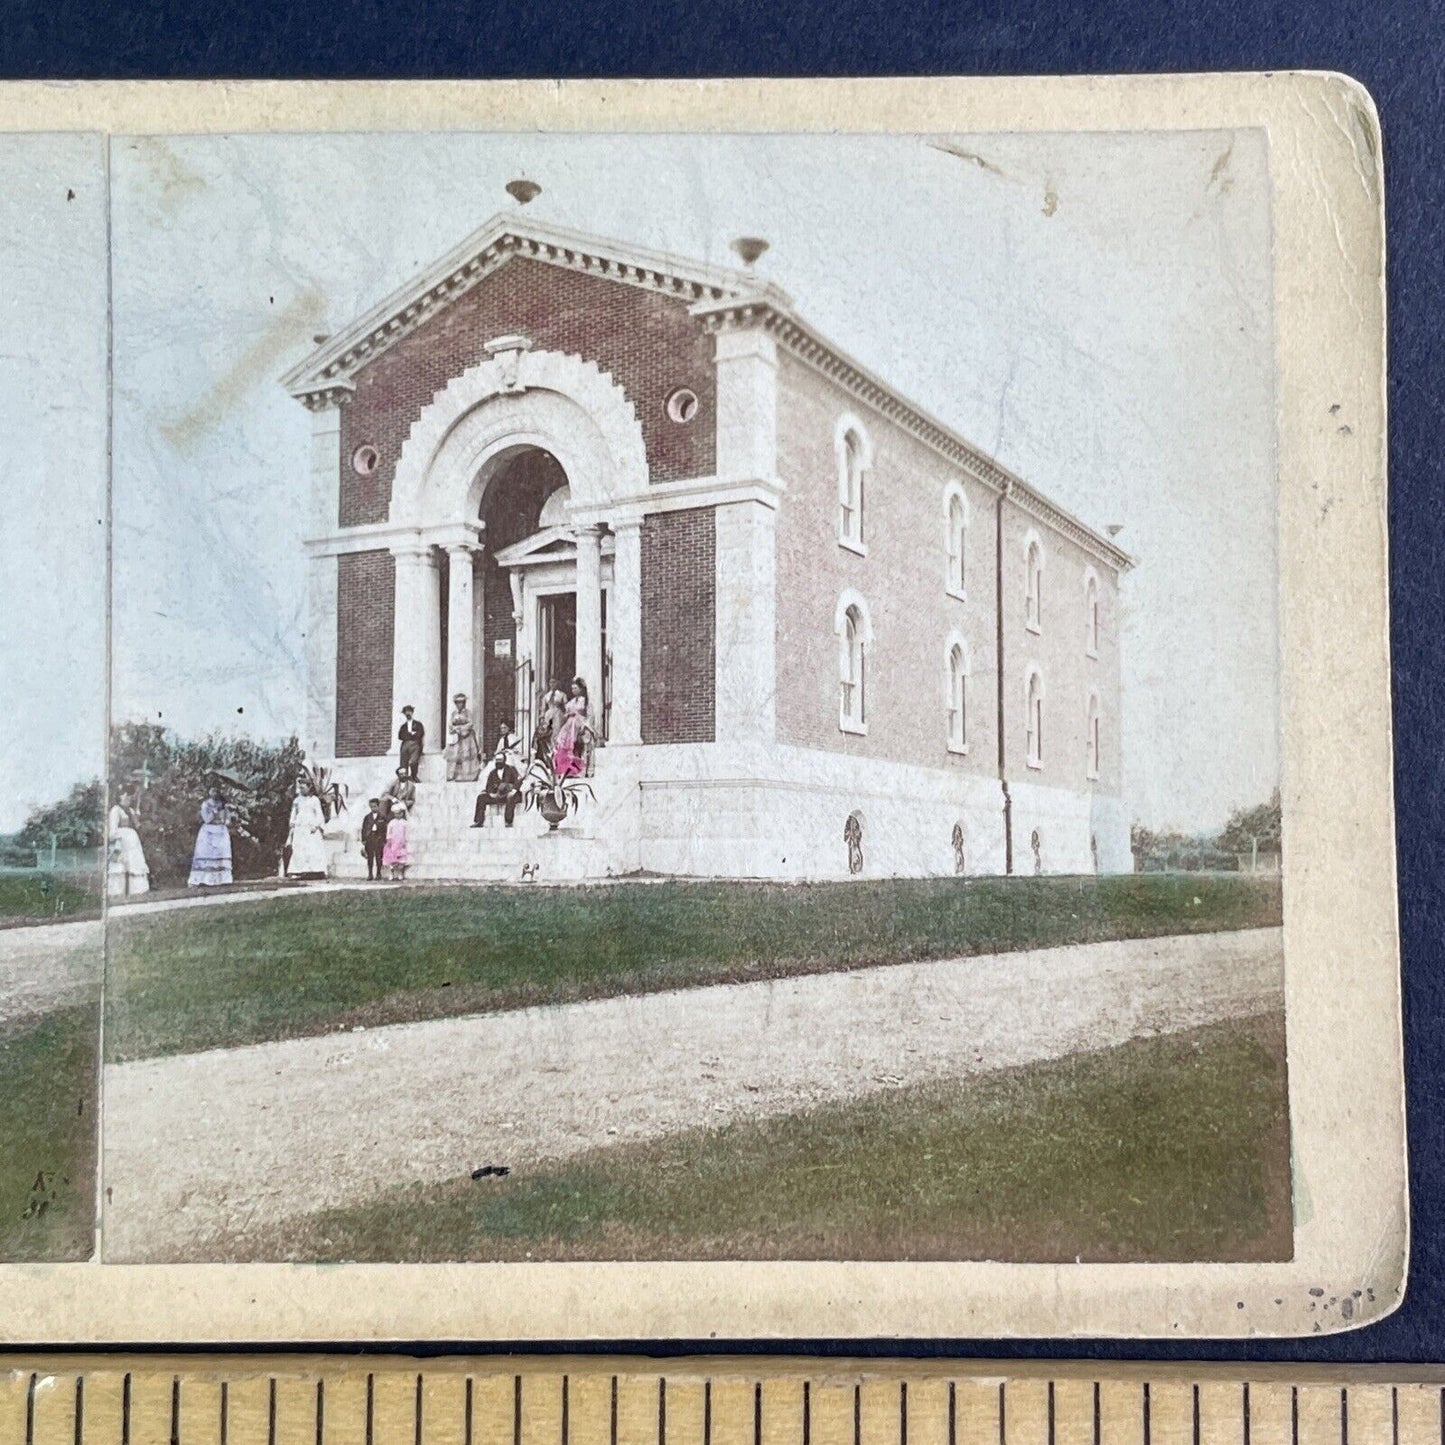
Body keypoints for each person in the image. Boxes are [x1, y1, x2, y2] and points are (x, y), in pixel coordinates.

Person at [106, 789, 150, 898]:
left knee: (135, 865)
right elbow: (112, 832)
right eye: (126, 796)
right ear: (120, 796)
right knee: (118, 868)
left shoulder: (130, 810)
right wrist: (122, 836)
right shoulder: (115, 810)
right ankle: (116, 892)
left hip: (132, 843)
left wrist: (136, 816)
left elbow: (137, 825)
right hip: (121, 844)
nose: (129, 798)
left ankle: (137, 891)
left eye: (130, 796)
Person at [188, 785, 234, 887]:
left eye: (216, 791)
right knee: (206, 854)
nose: (214, 793)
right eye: (212, 791)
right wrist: (215, 811)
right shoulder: (206, 804)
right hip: (208, 831)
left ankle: (221, 880)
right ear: (209, 792)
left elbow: (228, 820)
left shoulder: (223, 804)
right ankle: (201, 879)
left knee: (220, 855)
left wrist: (225, 817)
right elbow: (207, 819)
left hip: (221, 831)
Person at [551, 677, 595, 779]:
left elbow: (590, 716)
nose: (573, 690)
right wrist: (568, 714)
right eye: (572, 689)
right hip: (570, 725)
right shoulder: (571, 702)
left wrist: (586, 726)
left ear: (581, 689)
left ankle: (580, 770)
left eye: (575, 688)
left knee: (577, 745)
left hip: (580, 724)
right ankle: (568, 769)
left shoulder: (585, 701)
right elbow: (566, 713)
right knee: (562, 744)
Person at [286, 778, 328, 879]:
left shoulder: (314, 800)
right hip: (300, 828)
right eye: (300, 788)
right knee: (299, 849)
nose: (301, 790)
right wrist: (292, 823)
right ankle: (298, 871)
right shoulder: (297, 800)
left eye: (303, 787)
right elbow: (294, 813)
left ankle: (315, 871)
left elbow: (319, 814)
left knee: (312, 849)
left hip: (311, 828)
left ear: (309, 787)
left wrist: (316, 826)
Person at [472, 747, 523, 828]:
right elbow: (488, 786)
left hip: (510, 794)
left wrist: (514, 789)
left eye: (500, 760)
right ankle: (479, 821)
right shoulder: (492, 773)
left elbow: (519, 781)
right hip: (497, 795)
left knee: (510, 797)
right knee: (481, 797)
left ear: (504, 761)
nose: (498, 762)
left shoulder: (511, 769)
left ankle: (508, 821)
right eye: (497, 760)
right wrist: (491, 793)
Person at [446, 693, 481, 783]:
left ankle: (468, 775)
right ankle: (455, 775)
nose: (459, 704)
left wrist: (461, 729)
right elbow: (450, 724)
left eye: (461, 702)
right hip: (457, 737)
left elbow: (470, 723)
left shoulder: (468, 713)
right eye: (457, 703)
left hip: (466, 737)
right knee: (456, 755)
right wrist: (454, 729)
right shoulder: (454, 713)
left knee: (467, 755)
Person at [534, 685, 567, 760]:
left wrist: (565, 716)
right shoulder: (547, 695)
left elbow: (566, 706)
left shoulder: (562, 694)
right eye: (551, 682)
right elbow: (543, 708)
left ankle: (558, 754)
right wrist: (542, 717)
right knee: (548, 733)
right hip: (549, 714)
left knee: (557, 733)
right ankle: (549, 754)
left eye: (554, 682)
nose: (553, 684)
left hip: (558, 714)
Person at [360, 798, 387, 881]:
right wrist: (364, 839)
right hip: (370, 838)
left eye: (375, 806)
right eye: (371, 807)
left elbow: (385, 829)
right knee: (370, 857)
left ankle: (378, 873)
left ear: (378, 806)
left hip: (378, 838)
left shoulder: (382, 817)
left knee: (379, 857)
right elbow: (364, 828)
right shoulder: (367, 817)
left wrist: (384, 839)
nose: (373, 808)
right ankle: (370, 873)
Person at [382, 803, 411, 882]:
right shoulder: (391, 822)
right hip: (393, 843)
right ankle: (392, 874)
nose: (397, 815)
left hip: (401, 843)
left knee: (401, 859)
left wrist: (405, 841)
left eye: (399, 813)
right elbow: (389, 833)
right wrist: (389, 840)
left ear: (402, 813)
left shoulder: (405, 823)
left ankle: (400, 874)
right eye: (396, 813)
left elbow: (406, 833)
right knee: (392, 859)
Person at [397, 705, 425, 781]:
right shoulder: (403, 726)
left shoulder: (418, 724)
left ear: (412, 712)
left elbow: (420, 733)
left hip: (415, 744)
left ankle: (414, 776)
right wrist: (410, 735)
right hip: (405, 744)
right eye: (406, 712)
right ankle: (404, 778)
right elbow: (400, 736)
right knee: (403, 762)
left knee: (413, 761)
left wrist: (412, 735)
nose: (408, 713)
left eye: (409, 711)